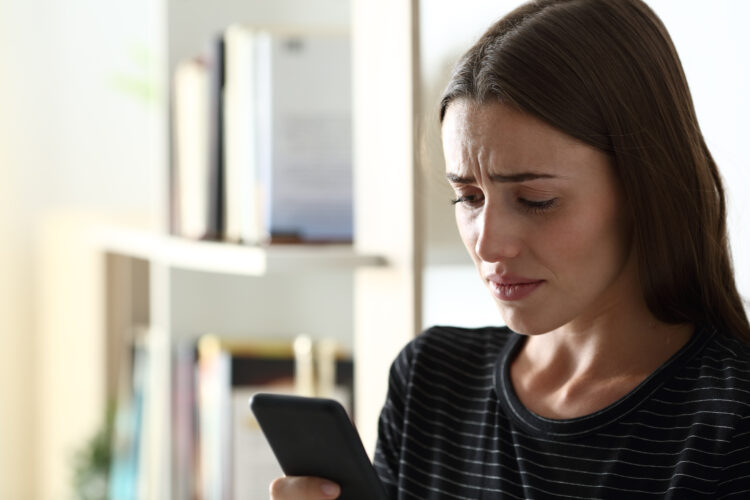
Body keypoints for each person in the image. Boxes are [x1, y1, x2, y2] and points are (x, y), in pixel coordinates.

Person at [270, 0, 750, 498]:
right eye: (468, 197)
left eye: (535, 200)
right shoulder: (430, 382)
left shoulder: (730, 425)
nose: (488, 242)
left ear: (644, 188)